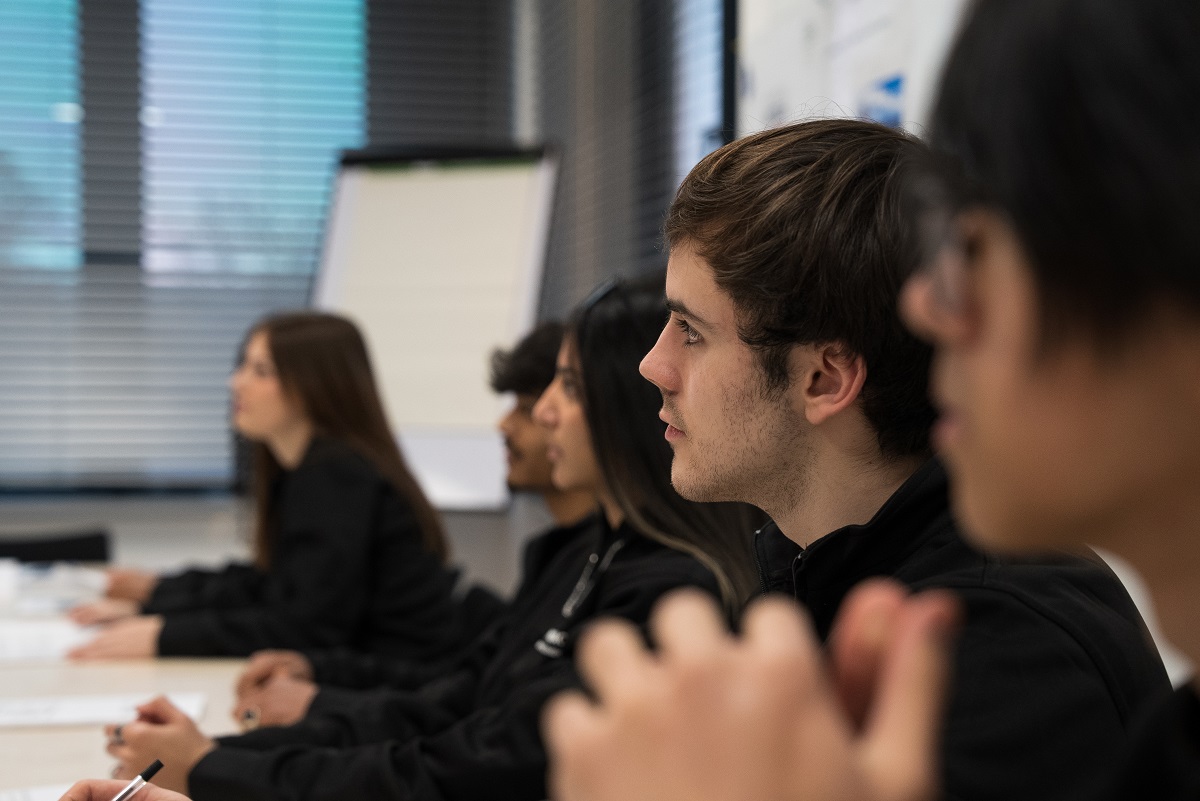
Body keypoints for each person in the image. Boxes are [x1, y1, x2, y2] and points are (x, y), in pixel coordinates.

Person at [546, 117, 1172, 801]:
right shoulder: (816, 566)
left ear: (825, 379)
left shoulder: (1002, 655)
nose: (652, 363)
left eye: (691, 332)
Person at [97, 274, 763, 800]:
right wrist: (224, 757)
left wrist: (223, 767)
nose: (537, 414)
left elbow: (467, 761)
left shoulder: (671, 591)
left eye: (568, 387)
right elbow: (462, 709)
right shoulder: (578, 551)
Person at [231, 319, 600, 726]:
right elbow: (465, 697)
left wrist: (318, 697)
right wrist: (320, 677)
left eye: (527, 410)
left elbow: (481, 731)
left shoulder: (336, 476)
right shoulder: (554, 553)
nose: (503, 425)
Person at [66, 311, 461, 660]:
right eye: (243, 366)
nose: (235, 383)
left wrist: (165, 634)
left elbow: (309, 626)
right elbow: (273, 585)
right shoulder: (312, 469)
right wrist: (158, 603)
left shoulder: (337, 477)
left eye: (261, 371)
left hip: (393, 686)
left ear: (314, 385)